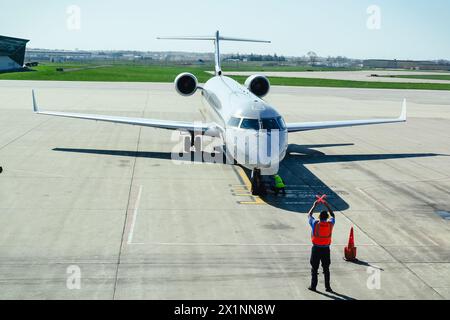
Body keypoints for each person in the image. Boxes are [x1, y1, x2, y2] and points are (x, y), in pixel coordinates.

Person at [308, 198, 335, 293]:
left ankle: (313, 286)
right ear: (327, 217)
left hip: (316, 249)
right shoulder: (330, 224)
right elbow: (333, 215)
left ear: (319, 216)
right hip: (326, 249)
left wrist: (314, 205)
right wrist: (327, 205)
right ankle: (328, 287)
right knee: (326, 269)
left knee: (314, 268)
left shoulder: (315, 224)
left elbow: (309, 215)